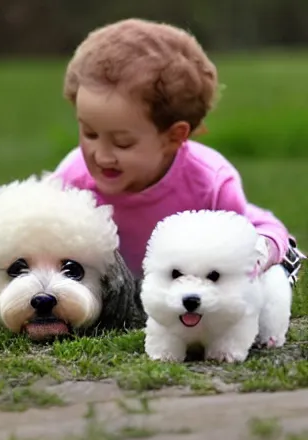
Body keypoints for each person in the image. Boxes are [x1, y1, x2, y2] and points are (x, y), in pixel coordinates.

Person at [46, 18, 305, 284]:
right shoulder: (71, 181)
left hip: (223, 251)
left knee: (256, 256)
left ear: (174, 136)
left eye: (122, 142)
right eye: (89, 133)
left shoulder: (211, 184)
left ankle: (282, 255)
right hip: (131, 284)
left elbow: (232, 257)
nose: (101, 155)